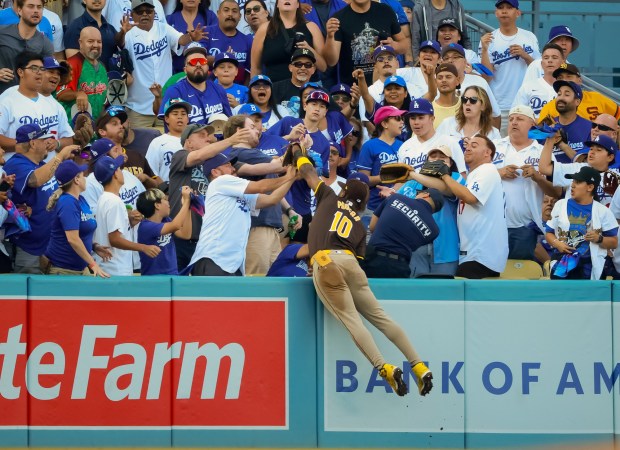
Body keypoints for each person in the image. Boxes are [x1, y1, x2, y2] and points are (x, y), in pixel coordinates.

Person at [294, 150, 433, 397]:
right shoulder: (358, 224)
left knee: (352, 321)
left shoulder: (328, 195)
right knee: (382, 318)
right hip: (352, 264)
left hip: (326, 261)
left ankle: (384, 368)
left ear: (343, 191)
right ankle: (419, 364)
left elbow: (308, 173)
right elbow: (358, 261)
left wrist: (298, 153)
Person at [188, 154, 296, 275]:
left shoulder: (237, 193)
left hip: (232, 264)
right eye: (227, 166)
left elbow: (272, 199)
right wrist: (289, 176)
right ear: (215, 172)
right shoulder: (220, 182)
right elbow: (262, 187)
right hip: (213, 258)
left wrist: (292, 177)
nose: (234, 169)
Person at [168, 122, 251, 268]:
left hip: (204, 241)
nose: (208, 139)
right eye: (201, 136)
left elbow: (255, 169)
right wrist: (231, 140)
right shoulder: (179, 156)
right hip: (180, 237)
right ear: (189, 142)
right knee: (178, 287)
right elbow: (198, 155)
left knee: (201, 288)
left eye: (208, 136)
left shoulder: (214, 163)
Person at [119, 0, 208, 127]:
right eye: (140, 12)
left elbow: (180, 40)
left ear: (154, 13)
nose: (145, 14)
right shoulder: (128, 34)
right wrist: (122, 32)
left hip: (165, 106)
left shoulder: (163, 28)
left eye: (148, 11)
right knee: (140, 146)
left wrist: (190, 37)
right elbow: (119, 43)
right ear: (132, 14)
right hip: (138, 107)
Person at [3, 124, 80, 273]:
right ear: (33, 143)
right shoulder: (15, 163)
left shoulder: (42, 164)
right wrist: (60, 156)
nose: (48, 143)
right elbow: (35, 180)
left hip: (48, 250)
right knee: (26, 294)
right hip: (28, 249)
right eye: (44, 139)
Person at [494, 105, 557, 260]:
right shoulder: (493, 146)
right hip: (493, 225)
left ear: (533, 125)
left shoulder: (542, 152)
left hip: (525, 227)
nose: (514, 122)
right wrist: (497, 173)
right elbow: (474, 177)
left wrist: (537, 177)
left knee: (518, 276)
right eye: (511, 119)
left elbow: (557, 192)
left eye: (520, 119)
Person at [440, 135, 509, 278]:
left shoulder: (487, 170)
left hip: (480, 254)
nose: (468, 148)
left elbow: (471, 198)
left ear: (487, 153)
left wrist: (445, 176)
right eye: (467, 145)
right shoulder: (476, 174)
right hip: (474, 253)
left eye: (475, 145)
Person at [397, 144, 464, 276]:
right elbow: (397, 204)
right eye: (433, 157)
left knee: (444, 293)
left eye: (443, 157)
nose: (438, 160)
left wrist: (412, 174)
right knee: (416, 292)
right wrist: (390, 195)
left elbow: (444, 189)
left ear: (450, 163)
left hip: (446, 248)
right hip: (415, 247)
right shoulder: (412, 182)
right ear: (426, 161)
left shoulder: (455, 178)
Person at [478, 0, 540, 134]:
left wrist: (525, 55)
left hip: (525, 102)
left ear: (518, 13)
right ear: (496, 13)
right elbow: (486, 77)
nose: (504, 11)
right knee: (496, 147)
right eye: (501, 8)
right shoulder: (488, 39)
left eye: (509, 8)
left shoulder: (529, 37)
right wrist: (484, 50)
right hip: (499, 104)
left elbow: (539, 70)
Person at [545, 166, 618, 280]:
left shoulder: (603, 211)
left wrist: (599, 239)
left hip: (589, 266)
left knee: (588, 297)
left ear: (590, 187)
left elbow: (614, 242)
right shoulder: (560, 204)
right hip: (561, 263)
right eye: (573, 181)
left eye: (578, 182)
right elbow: (549, 232)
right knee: (561, 297)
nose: (573, 185)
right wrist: (557, 243)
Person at [92, 155, 161, 276]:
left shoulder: (104, 198)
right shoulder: (114, 201)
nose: (122, 171)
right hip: (116, 269)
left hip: (110, 267)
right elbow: (115, 240)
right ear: (115, 175)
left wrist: (129, 223)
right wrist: (144, 248)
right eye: (119, 169)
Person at [0, 52, 76, 160]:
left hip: (48, 172)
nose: (39, 72)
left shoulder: (54, 105)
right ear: (21, 72)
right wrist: (23, 146)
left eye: (42, 69)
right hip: (16, 172)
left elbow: (68, 138)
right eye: (34, 68)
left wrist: (57, 143)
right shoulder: (6, 100)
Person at [44, 160, 111, 277]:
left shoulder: (81, 200)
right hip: (64, 270)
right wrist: (93, 264)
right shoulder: (67, 203)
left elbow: (82, 232)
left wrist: (94, 246)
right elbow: (73, 239)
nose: (85, 177)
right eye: (82, 175)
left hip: (79, 269)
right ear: (76, 180)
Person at [363, 187, 443, 278]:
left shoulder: (396, 198)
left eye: (418, 193)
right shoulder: (434, 230)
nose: (416, 195)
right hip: (399, 266)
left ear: (426, 195)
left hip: (373, 259)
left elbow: (373, 226)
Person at [323, 0, 406, 86]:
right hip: (354, 89)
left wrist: (395, 46)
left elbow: (405, 45)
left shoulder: (385, 11)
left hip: (386, 85)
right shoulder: (339, 18)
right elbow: (331, 61)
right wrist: (330, 37)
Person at [251, 0, 326, 83]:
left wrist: (309, 49)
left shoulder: (312, 27)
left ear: (298, 4)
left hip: (306, 90)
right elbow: (255, 67)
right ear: (277, 4)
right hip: (276, 90)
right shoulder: (264, 29)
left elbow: (323, 67)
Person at [158, 44, 232, 125]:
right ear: (185, 70)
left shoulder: (218, 89)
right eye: (193, 62)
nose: (198, 65)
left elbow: (229, 122)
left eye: (202, 61)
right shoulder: (175, 91)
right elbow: (172, 128)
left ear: (207, 67)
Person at [539, 134, 620, 208]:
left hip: (604, 222)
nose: (592, 152)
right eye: (591, 149)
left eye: (598, 150)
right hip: (575, 220)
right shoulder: (576, 169)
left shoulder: (617, 178)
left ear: (610, 157)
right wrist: (550, 141)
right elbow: (544, 168)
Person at [437, 43, 501, 127]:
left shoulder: (479, 82)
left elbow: (495, 115)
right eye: (446, 58)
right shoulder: (436, 84)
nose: (450, 60)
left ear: (465, 62)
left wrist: (493, 138)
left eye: (455, 57)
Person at [398, 98, 466, 174]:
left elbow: (462, 177)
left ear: (432, 119)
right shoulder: (404, 148)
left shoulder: (449, 143)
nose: (416, 122)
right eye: (413, 118)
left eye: (421, 118)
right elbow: (400, 181)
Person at [357, 106, 403, 215]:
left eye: (402, 119)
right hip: (374, 206)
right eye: (397, 118)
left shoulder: (404, 146)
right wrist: (387, 176)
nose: (402, 122)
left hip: (399, 205)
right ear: (385, 124)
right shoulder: (369, 146)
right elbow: (363, 180)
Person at [136, 186, 192, 275]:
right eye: (165, 199)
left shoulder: (166, 220)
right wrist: (186, 202)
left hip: (172, 274)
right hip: (154, 278)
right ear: (157, 205)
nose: (168, 202)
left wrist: (188, 207)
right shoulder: (146, 226)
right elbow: (176, 225)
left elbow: (186, 234)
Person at [57, 27, 109, 121]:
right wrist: (78, 94)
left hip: (94, 127)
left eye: (99, 42)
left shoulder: (102, 67)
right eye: (90, 41)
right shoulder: (73, 63)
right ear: (80, 43)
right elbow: (60, 94)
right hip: (73, 126)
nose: (95, 45)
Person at [538, 63, 620, 123]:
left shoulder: (597, 98)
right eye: (560, 78)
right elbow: (540, 137)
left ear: (579, 80)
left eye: (569, 76)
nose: (565, 80)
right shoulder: (549, 108)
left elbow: (617, 117)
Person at [0, 5, 53, 95]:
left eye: (39, 7)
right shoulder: (2, 33)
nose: (36, 11)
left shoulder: (45, 43)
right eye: (31, 7)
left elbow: (49, 74)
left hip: (28, 101)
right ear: (19, 10)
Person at [203, 0, 253, 84]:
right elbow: (198, 60)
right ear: (218, 13)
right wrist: (223, 57)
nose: (230, 14)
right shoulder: (206, 32)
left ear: (240, 16)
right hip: (208, 90)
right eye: (226, 10)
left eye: (234, 11)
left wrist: (244, 93)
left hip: (237, 92)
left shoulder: (247, 40)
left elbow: (249, 72)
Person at [512, 43, 564, 120]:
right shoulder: (528, 87)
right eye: (546, 58)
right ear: (541, 64)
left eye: (554, 57)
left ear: (562, 63)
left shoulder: (568, 88)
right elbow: (516, 113)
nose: (550, 61)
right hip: (533, 130)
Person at [546, 80, 591, 164]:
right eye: (559, 94)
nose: (561, 98)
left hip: (577, 176)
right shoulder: (547, 126)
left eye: (567, 94)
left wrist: (560, 144)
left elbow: (586, 164)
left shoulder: (589, 127)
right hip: (550, 176)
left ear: (577, 102)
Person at [64, 0, 118, 70]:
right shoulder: (75, 27)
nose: (97, 0)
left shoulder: (111, 29)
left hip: (110, 79)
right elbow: (73, 63)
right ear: (84, 0)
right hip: (88, 79)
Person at [166, 0, 217, 73]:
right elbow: (165, 51)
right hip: (177, 73)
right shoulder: (169, 20)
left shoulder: (210, 17)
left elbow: (217, 42)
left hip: (206, 73)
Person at [436, 85, 501, 142]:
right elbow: (433, 146)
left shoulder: (493, 133)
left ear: (483, 106)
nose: (467, 103)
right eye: (464, 99)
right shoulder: (448, 124)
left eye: (473, 100)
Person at [148, 98, 191, 182]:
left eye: (183, 114)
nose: (179, 117)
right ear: (166, 119)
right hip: (168, 190)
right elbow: (151, 172)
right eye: (175, 114)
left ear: (188, 119)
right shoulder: (158, 142)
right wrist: (165, 191)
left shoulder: (195, 140)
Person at [432, 63, 461, 128]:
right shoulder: (429, 108)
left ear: (457, 80)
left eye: (448, 77)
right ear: (435, 82)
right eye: (440, 78)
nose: (444, 80)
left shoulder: (466, 105)